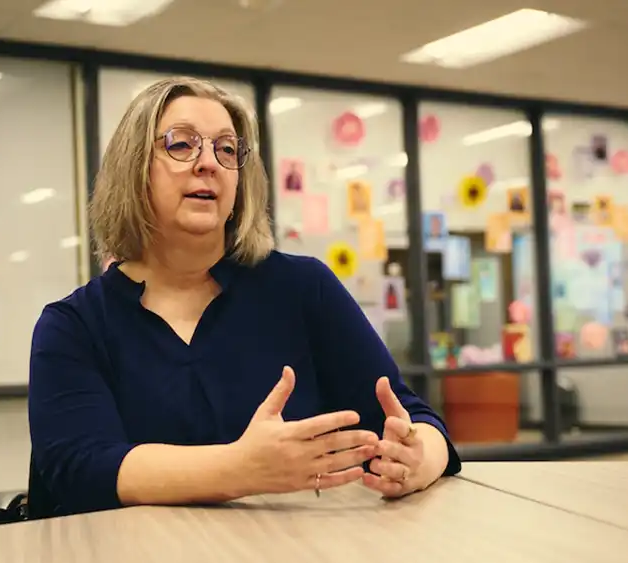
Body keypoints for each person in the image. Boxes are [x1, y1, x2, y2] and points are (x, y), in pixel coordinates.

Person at [28, 76, 461, 518]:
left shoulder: (303, 288)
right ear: (134, 168)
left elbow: (414, 420)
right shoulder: (73, 325)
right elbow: (80, 468)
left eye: (227, 149)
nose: (208, 164)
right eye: (181, 145)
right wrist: (243, 468)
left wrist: (418, 460)